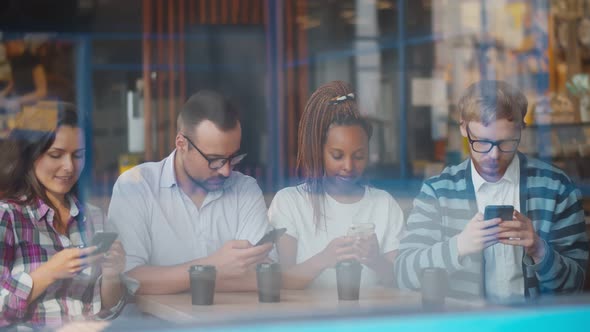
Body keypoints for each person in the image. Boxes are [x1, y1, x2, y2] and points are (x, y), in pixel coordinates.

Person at [395, 80, 589, 302]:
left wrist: (538, 249)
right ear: (462, 127)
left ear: (522, 130)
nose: (493, 156)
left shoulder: (556, 187)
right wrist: (459, 246)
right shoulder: (438, 192)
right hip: (465, 325)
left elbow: (577, 285)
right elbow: (404, 275)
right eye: (481, 142)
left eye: (507, 142)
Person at [108, 90, 273, 295]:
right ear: (181, 144)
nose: (226, 170)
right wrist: (214, 266)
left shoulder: (245, 189)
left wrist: (170, 280)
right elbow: (129, 280)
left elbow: (262, 277)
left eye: (232, 158)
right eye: (215, 159)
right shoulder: (136, 187)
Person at [0, 104, 130, 329]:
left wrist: (112, 275)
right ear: (32, 154)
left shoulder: (95, 218)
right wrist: (47, 273)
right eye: (56, 155)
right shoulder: (8, 217)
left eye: (78, 155)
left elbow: (109, 312)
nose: (69, 166)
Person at [268, 81, 405, 289]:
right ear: (318, 151)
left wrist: (375, 260)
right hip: (308, 320)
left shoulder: (384, 204)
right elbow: (281, 282)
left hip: (370, 319)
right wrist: (324, 258)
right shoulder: (289, 203)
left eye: (359, 156)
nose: (348, 166)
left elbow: (400, 281)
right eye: (337, 156)